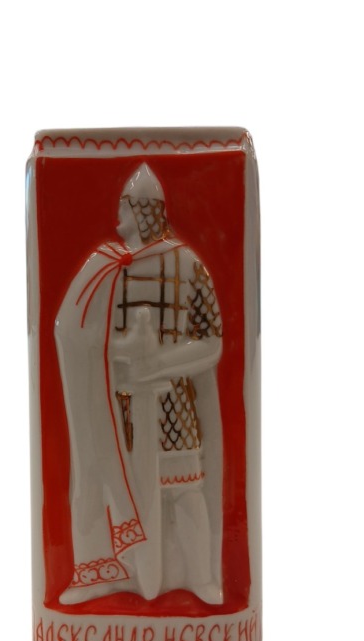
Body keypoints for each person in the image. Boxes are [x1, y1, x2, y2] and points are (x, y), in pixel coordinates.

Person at [55, 163, 224, 604]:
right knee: (113, 489)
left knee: (186, 490)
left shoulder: (188, 265)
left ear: (141, 209)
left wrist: (160, 362)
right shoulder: (107, 268)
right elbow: (77, 335)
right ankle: (116, 574)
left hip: (174, 404)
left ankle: (200, 575)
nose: (118, 216)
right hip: (115, 408)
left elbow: (212, 342)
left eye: (125, 207)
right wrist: (125, 350)